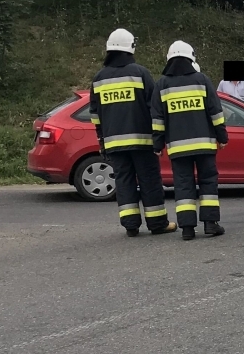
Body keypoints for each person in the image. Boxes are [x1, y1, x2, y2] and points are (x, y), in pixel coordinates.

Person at [88, 28, 174, 236]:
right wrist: (157, 138)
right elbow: (154, 107)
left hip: (113, 143)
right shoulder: (140, 73)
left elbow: (95, 114)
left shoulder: (99, 78)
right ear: (130, 48)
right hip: (142, 141)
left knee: (123, 181)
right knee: (149, 180)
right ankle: (157, 224)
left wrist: (102, 140)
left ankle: (130, 225)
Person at [152, 40, 227, 241]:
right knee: (208, 182)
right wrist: (222, 137)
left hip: (178, 147)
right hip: (204, 145)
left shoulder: (162, 84)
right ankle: (210, 224)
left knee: (183, 185)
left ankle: (187, 229)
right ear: (190, 58)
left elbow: (157, 119)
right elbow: (215, 112)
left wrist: (157, 144)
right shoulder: (202, 80)